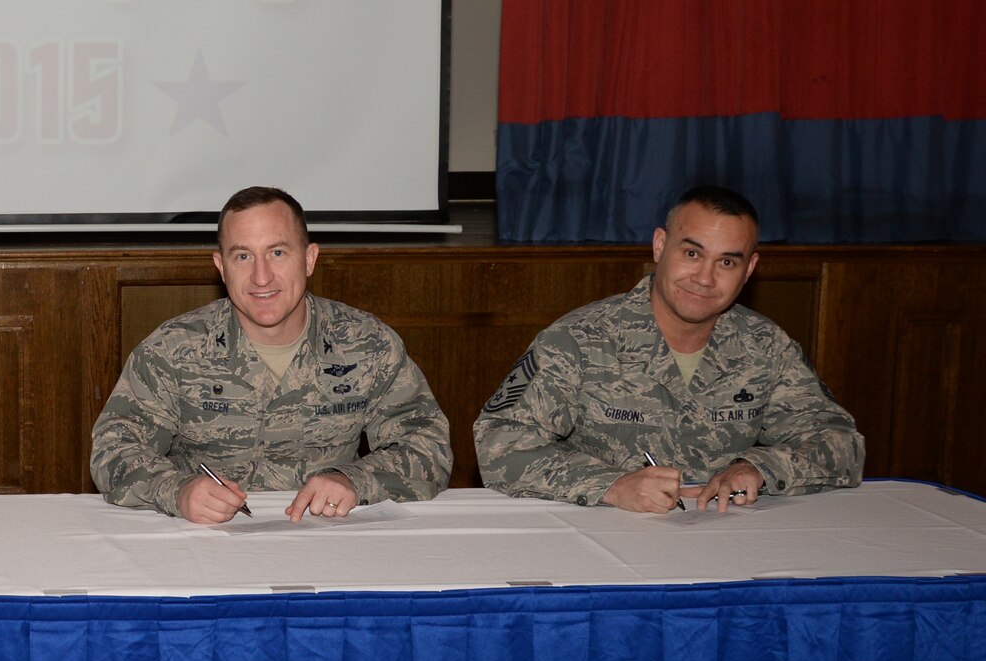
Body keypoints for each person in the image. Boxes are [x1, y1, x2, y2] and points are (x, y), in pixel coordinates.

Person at [474, 185, 864, 512]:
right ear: (660, 246)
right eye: (692, 254)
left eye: (727, 262)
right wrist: (611, 486)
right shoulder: (579, 340)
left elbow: (840, 441)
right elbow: (498, 442)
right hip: (605, 538)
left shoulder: (765, 346)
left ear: (749, 270)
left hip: (729, 541)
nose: (705, 278)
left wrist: (760, 467)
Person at [90, 186, 452, 523]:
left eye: (277, 252)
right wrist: (177, 491)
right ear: (221, 267)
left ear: (309, 259)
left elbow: (428, 447)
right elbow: (113, 449)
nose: (261, 277)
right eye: (243, 256)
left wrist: (354, 480)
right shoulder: (174, 348)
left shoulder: (367, 343)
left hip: (330, 538)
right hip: (206, 546)